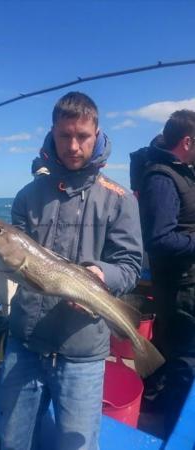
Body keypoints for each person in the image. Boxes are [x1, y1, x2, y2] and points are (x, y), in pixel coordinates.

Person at [0, 91, 143, 450]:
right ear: (52, 133)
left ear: (97, 134)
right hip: (25, 343)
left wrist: (102, 275)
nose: (74, 146)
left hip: (83, 351)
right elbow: (19, 266)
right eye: (65, 136)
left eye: (83, 136)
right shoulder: (26, 197)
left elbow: (129, 266)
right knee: (13, 442)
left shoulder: (119, 200)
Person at [130, 109, 195, 436]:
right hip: (180, 288)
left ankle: (156, 414)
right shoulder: (161, 178)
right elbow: (159, 239)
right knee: (184, 359)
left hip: (185, 284)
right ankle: (174, 430)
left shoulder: (182, 172)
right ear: (187, 141)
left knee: (170, 353)